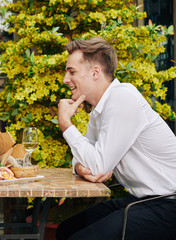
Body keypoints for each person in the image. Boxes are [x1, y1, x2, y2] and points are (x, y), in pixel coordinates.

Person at [55, 37, 176, 240]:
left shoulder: (122, 99)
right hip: (142, 200)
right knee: (66, 230)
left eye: (72, 71)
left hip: (168, 204)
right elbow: (84, 158)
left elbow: (98, 165)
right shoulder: (99, 108)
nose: (65, 79)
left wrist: (66, 125)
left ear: (95, 72)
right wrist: (79, 167)